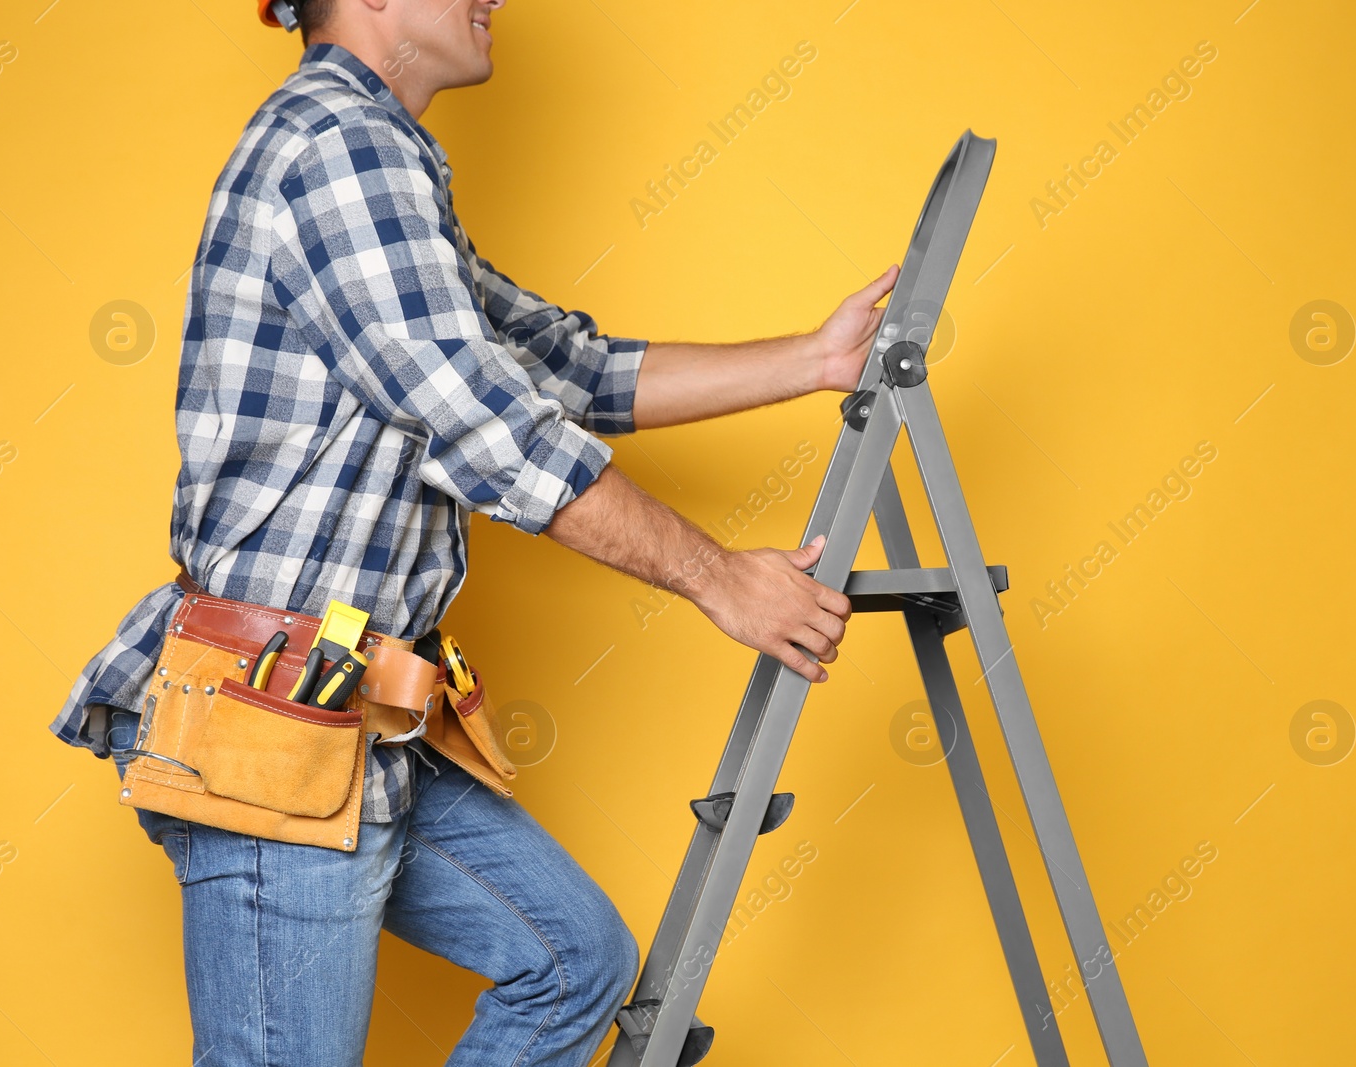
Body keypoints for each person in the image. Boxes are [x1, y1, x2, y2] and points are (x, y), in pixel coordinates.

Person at [49, 0, 897, 1063]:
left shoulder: (383, 161)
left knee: (570, 962)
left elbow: (564, 370)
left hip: (355, 711)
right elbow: (487, 429)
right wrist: (719, 577)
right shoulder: (340, 150)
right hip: (271, 721)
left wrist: (810, 361)